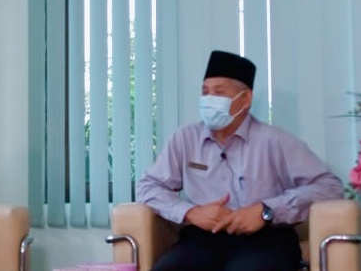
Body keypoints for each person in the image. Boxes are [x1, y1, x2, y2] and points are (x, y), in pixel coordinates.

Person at [136, 50, 345, 271]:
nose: (208, 100)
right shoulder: (185, 138)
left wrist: (267, 211)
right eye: (205, 92)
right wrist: (190, 212)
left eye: (218, 93)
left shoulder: (275, 141)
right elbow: (148, 186)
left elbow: (330, 187)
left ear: (245, 99)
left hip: (265, 239)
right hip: (202, 238)